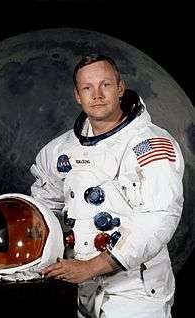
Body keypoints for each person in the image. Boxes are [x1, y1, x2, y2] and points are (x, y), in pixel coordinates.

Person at [30, 54, 184, 317]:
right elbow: (42, 209)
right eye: (87, 88)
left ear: (120, 88)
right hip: (82, 289)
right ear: (78, 95)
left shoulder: (150, 145)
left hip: (136, 291)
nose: (97, 94)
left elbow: (158, 220)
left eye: (106, 85)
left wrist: (91, 266)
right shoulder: (60, 150)